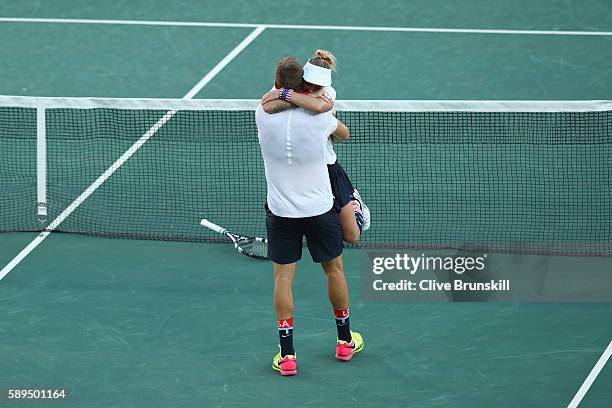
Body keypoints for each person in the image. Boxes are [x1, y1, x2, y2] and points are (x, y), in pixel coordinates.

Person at [256, 57, 364, 376]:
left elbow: (270, 99)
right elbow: (343, 134)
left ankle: (287, 356)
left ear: (277, 82)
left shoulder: (260, 113)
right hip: (319, 209)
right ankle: (344, 341)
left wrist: (288, 94)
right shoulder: (322, 118)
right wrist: (320, 103)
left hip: (281, 211)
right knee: (334, 269)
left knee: (283, 277)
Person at [262, 50, 371, 245]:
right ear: (302, 76)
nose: (313, 86)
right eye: (309, 81)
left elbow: (322, 110)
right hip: (302, 167)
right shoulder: (294, 88)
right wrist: (295, 97)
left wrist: (286, 96)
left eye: (317, 84)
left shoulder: (328, 92)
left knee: (352, 237)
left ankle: (355, 204)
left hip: (328, 165)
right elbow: (267, 106)